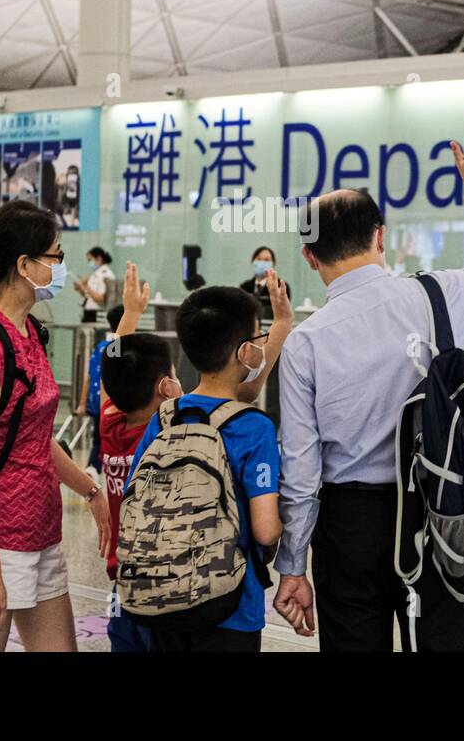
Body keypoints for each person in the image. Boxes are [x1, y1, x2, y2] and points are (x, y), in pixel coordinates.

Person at [273, 116, 464, 651]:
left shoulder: (305, 343)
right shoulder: (438, 296)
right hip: (437, 507)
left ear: (310, 257)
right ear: (380, 236)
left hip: (348, 524)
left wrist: (293, 565)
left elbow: (301, 469)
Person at [0, 200, 109, 652]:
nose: (61, 267)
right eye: (55, 256)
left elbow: (35, 438)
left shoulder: (30, 331)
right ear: (24, 265)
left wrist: (90, 490)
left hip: (40, 535)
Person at [124, 278, 292, 651]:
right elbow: (266, 531)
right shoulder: (256, 429)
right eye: (258, 339)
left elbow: (133, 493)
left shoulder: (166, 416)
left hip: (164, 596)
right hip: (231, 606)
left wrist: (280, 325)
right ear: (245, 352)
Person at [96, 262, 167, 652]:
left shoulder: (110, 424)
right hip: (163, 580)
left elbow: (110, 376)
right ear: (165, 386)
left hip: (122, 578)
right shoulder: (161, 433)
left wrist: (130, 315)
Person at [75, 304, 124, 480]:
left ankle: (93, 467)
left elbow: (89, 377)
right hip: (113, 403)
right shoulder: (122, 347)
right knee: (105, 438)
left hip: (97, 401)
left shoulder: (102, 347)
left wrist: (83, 404)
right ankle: (94, 468)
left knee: (99, 437)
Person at [73, 247, 117, 323]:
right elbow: (89, 295)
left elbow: (102, 299)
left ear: (99, 258)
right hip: (89, 313)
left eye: (90, 260)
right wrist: (81, 288)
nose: (89, 263)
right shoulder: (96, 275)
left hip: (97, 315)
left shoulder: (106, 275)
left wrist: (86, 287)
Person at [239, 246, 288, 313]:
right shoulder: (244, 287)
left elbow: (282, 310)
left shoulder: (281, 286)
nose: (262, 263)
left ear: (273, 264)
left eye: (266, 260)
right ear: (253, 262)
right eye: (259, 259)